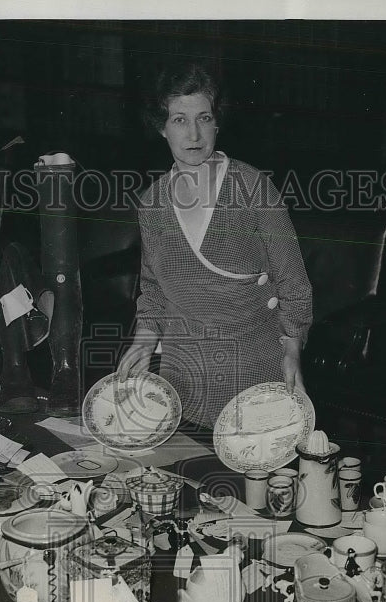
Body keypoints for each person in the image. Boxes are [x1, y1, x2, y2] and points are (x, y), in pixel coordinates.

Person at [116, 63, 313, 428]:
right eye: (179, 119)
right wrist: (144, 341)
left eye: (203, 118)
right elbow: (154, 289)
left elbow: (294, 283)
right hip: (183, 371)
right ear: (161, 127)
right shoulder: (152, 202)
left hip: (252, 365)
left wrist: (293, 348)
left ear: (217, 123)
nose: (194, 133)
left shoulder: (254, 188)